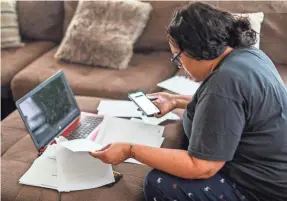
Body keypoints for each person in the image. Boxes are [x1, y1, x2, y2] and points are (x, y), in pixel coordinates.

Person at [90, 2, 287, 201]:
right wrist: (175, 100)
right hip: (275, 168)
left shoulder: (224, 83)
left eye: (177, 57)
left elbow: (202, 167)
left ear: (194, 49)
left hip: (263, 188)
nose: (180, 66)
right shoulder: (248, 55)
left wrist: (130, 150)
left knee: (159, 183)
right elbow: (231, 108)